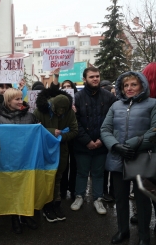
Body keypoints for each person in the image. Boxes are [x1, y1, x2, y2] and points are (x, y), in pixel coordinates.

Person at [101, 71, 156, 245]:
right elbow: (105, 129)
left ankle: (144, 237)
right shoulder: (116, 105)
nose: (129, 88)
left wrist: (132, 145)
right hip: (117, 159)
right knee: (121, 199)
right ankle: (123, 231)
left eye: (133, 84)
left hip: (141, 160)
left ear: (142, 85)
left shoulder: (152, 104)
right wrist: (116, 146)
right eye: (126, 85)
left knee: (142, 200)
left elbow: (154, 131)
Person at [69, 67, 116, 214]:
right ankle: (79, 196)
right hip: (82, 144)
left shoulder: (109, 97)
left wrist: (102, 140)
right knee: (81, 172)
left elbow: (114, 120)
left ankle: (98, 199)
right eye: (91, 77)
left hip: (102, 143)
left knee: (98, 173)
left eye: (97, 76)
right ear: (84, 79)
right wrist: (87, 141)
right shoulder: (76, 97)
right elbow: (74, 121)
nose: (95, 79)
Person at [0, 88, 38, 233]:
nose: (21, 101)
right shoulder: (0, 119)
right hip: (10, 161)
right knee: (12, 189)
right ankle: (14, 217)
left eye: (21, 98)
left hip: (26, 160)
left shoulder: (31, 117)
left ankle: (25, 215)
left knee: (25, 188)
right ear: (8, 101)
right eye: (17, 99)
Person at [33, 87, 78, 222]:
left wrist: (61, 137)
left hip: (61, 150)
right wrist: (52, 132)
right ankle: (47, 205)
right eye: (57, 112)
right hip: (44, 150)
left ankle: (56, 204)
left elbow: (75, 130)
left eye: (62, 113)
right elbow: (34, 130)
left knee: (58, 177)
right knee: (46, 177)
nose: (60, 115)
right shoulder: (39, 111)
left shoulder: (70, 112)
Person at [48, 68, 78, 200]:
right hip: (55, 144)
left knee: (70, 167)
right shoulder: (47, 109)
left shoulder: (72, 109)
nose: (66, 88)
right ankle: (58, 194)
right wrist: (55, 76)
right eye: (64, 86)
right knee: (57, 171)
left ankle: (70, 191)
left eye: (68, 86)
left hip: (70, 142)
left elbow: (75, 129)